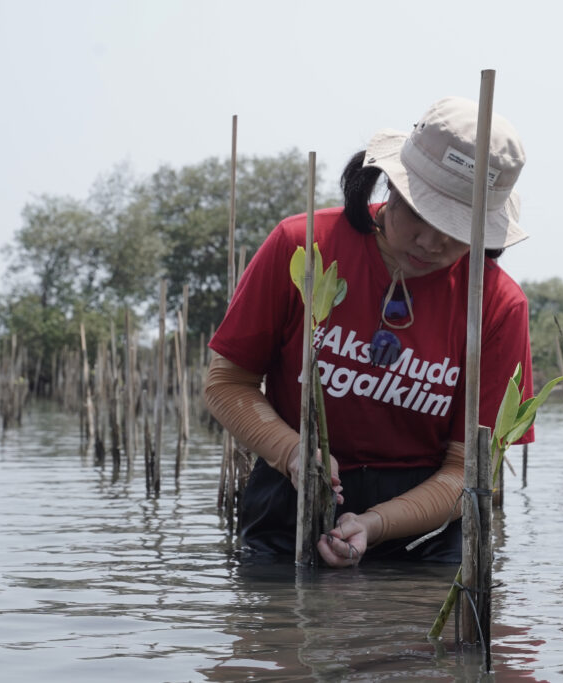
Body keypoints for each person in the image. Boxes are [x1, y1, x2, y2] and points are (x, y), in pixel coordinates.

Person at [204, 96, 534, 568]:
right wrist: (296, 453)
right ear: (393, 186)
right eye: (421, 214)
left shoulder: (499, 305)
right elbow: (226, 383)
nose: (432, 242)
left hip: (426, 523)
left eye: (457, 229)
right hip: (293, 489)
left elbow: (467, 469)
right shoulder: (304, 247)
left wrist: (375, 523)